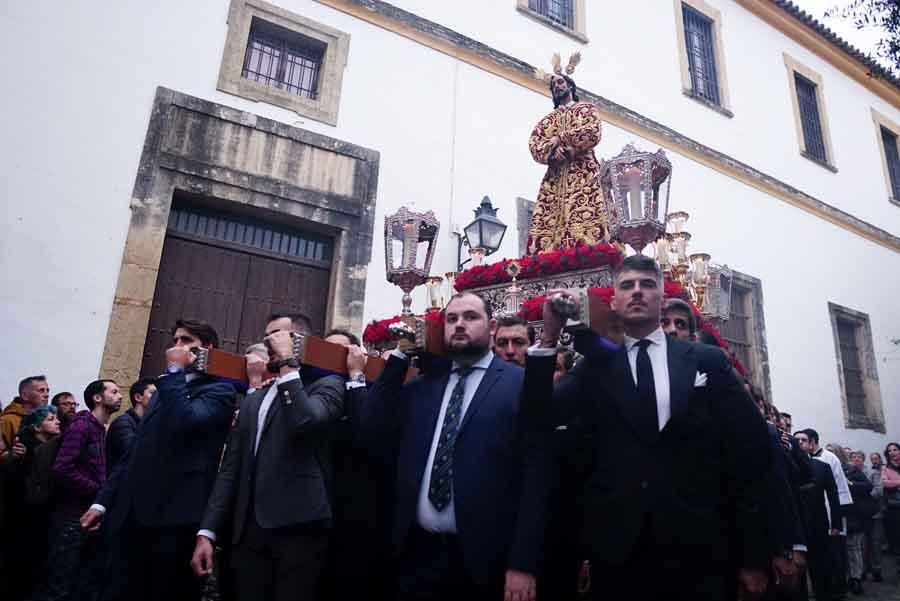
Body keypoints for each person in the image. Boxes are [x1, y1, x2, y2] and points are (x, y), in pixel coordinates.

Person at [526, 254, 772, 601]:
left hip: (700, 552)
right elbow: (538, 419)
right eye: (627, 285)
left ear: (662, 296)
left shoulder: (706, 362)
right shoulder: (596, 368)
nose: (637, 292)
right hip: (618, 556)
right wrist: (549, 339)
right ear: (614, 301)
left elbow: (751, 453)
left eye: (647, 285)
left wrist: (754, 555)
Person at [360, 291, 548, 601]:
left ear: (492, 327)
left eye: (470, 317)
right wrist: (398, 357)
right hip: (417, 557)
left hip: (485, 562)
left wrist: (523, 563)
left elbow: (537, 476)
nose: (459, 325)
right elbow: (371, 427)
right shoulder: (423, 388)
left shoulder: (520, 385)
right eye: (451, 319)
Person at [80, 319, 237, 601]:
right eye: (175, 340)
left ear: (207, 349)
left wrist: (175, 371)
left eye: (187, 341)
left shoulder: (219, 391)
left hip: (172, 519)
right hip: (131, 515)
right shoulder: (165, 390)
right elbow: (137, 450)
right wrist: (102, 502)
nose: (177, 347)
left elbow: (185, 422)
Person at [191, 314, 345, 600]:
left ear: (299, 341)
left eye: (278, 335)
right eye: (266, 335)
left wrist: (288, 364)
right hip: (248, 534)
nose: (268, 341)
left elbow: (304, 421)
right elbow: (231, 469)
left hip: (297, 532)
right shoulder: (254, 400)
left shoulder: (327, 386)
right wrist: (208, 531)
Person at [319, 329, 395, 601]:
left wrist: (355, 377)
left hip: (357, 512)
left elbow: (365, 433)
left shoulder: (368, 390)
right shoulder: (313, 389)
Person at [31, 380, 121, 601]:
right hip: (70, 516)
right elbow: (62, 467)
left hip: (85, 514)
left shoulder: (99, 429)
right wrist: (96, 488)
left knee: (77, 583)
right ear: (97, 398)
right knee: (58, 583)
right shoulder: (82, 427)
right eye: (114, 391)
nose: (120, 396)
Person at [527, 55, 607, 254]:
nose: (557, 86)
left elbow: (592, 131)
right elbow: (535, 145)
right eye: (553, 84)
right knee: (548, 230)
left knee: (587, 222)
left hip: (583, 174)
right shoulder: (547, 121)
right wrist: (552, 153)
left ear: (571, 86)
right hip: (554, 180)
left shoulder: (587, 109)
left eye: (561, 82)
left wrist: (561, 140)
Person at [8, 405, 61, 600]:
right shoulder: (24, 450)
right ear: (37, 428)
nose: (57, 421)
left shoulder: (54, 448)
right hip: (26, 518)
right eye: (50, 419)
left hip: (44, 515)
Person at [802, 429, 853, 598]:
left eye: (803, 441)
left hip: (832, 513)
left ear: (813, 442)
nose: (800, 444)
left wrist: (837, 520)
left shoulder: (829, 458)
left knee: (836, 555)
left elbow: (839, 487)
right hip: (817, 516)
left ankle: (839, 588)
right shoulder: (804, 461)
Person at [794, 430, 843, 601]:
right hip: (797, 528)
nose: (800, 442)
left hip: (819, 525)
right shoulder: (787, 466)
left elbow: (833, 496)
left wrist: (836, 524)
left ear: (810, 444)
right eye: (797, 440)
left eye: (804, 440)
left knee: (822, 571)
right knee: (797, 575)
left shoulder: (822, 466)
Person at [832, 446, 874, 595]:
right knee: (840, 550)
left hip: (853, 516)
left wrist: (851, 484)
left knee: (853, 548)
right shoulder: (824, 469)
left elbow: (868, 486)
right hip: (836, 516)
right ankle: (843, 578)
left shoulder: (852, 470)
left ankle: (855, 579)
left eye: (832, 452)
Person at [106, 378, 157, 474]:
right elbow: (135, 456)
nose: (158, 398)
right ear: (138, 397)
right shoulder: (123, 424)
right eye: (153, 394)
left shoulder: (148, 424)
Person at [1, 375, 50, 459]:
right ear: (25, 396)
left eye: (47, 390)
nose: (47, 395)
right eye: (41, 390)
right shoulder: (7, 420)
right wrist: (11, 455)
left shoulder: (50, 419)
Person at [881, 442, 900, 555]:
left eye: (895, 449)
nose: (892, 452)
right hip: (895, 508)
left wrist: (894, 483)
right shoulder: (885, 468)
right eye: (890, 451)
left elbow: (890, 483)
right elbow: (885, 483)